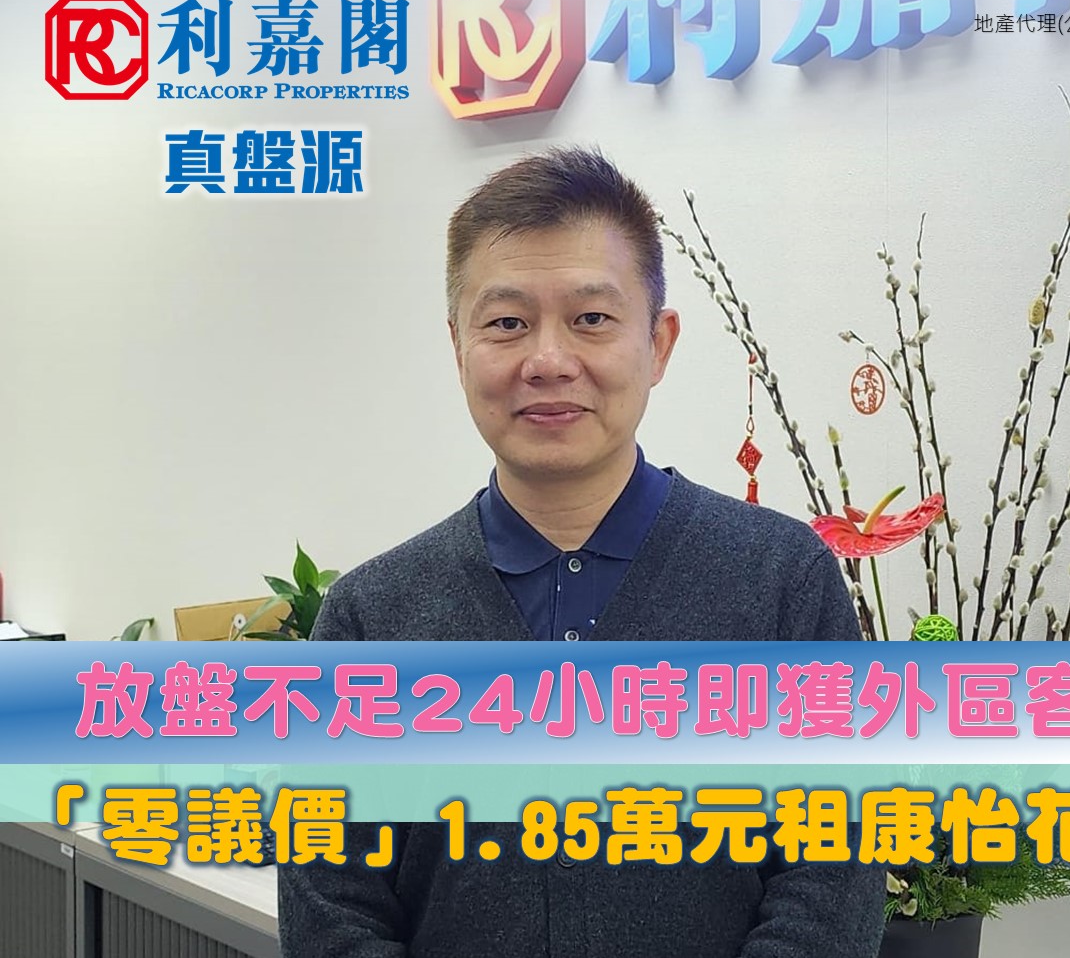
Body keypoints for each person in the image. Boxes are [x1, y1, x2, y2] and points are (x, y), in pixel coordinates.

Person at [277, 146, 886, 957]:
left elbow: (833, 874)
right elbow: (331, 911)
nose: (548, 361)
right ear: (457, 346)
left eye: (591, 318)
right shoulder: (370, 617)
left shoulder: (781, 580)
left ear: (658, 343)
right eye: (506, 323)